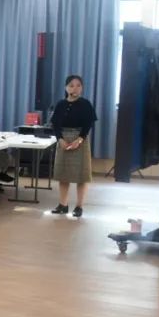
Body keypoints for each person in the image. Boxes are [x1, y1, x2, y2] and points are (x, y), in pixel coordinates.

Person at [49, 74, 96, 218]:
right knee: (63, 174)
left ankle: (79, 206)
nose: (75, 88)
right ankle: (63, 205)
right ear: (66, 88)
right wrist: (60, 139)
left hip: (80, 139)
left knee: (81, 175)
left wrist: (79, 139)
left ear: (82, 88)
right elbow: (55, 124)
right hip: (63, 139)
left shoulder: (86, 104)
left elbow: (88, 124)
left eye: (78, 85)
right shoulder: (60, 104)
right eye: (71, 85)